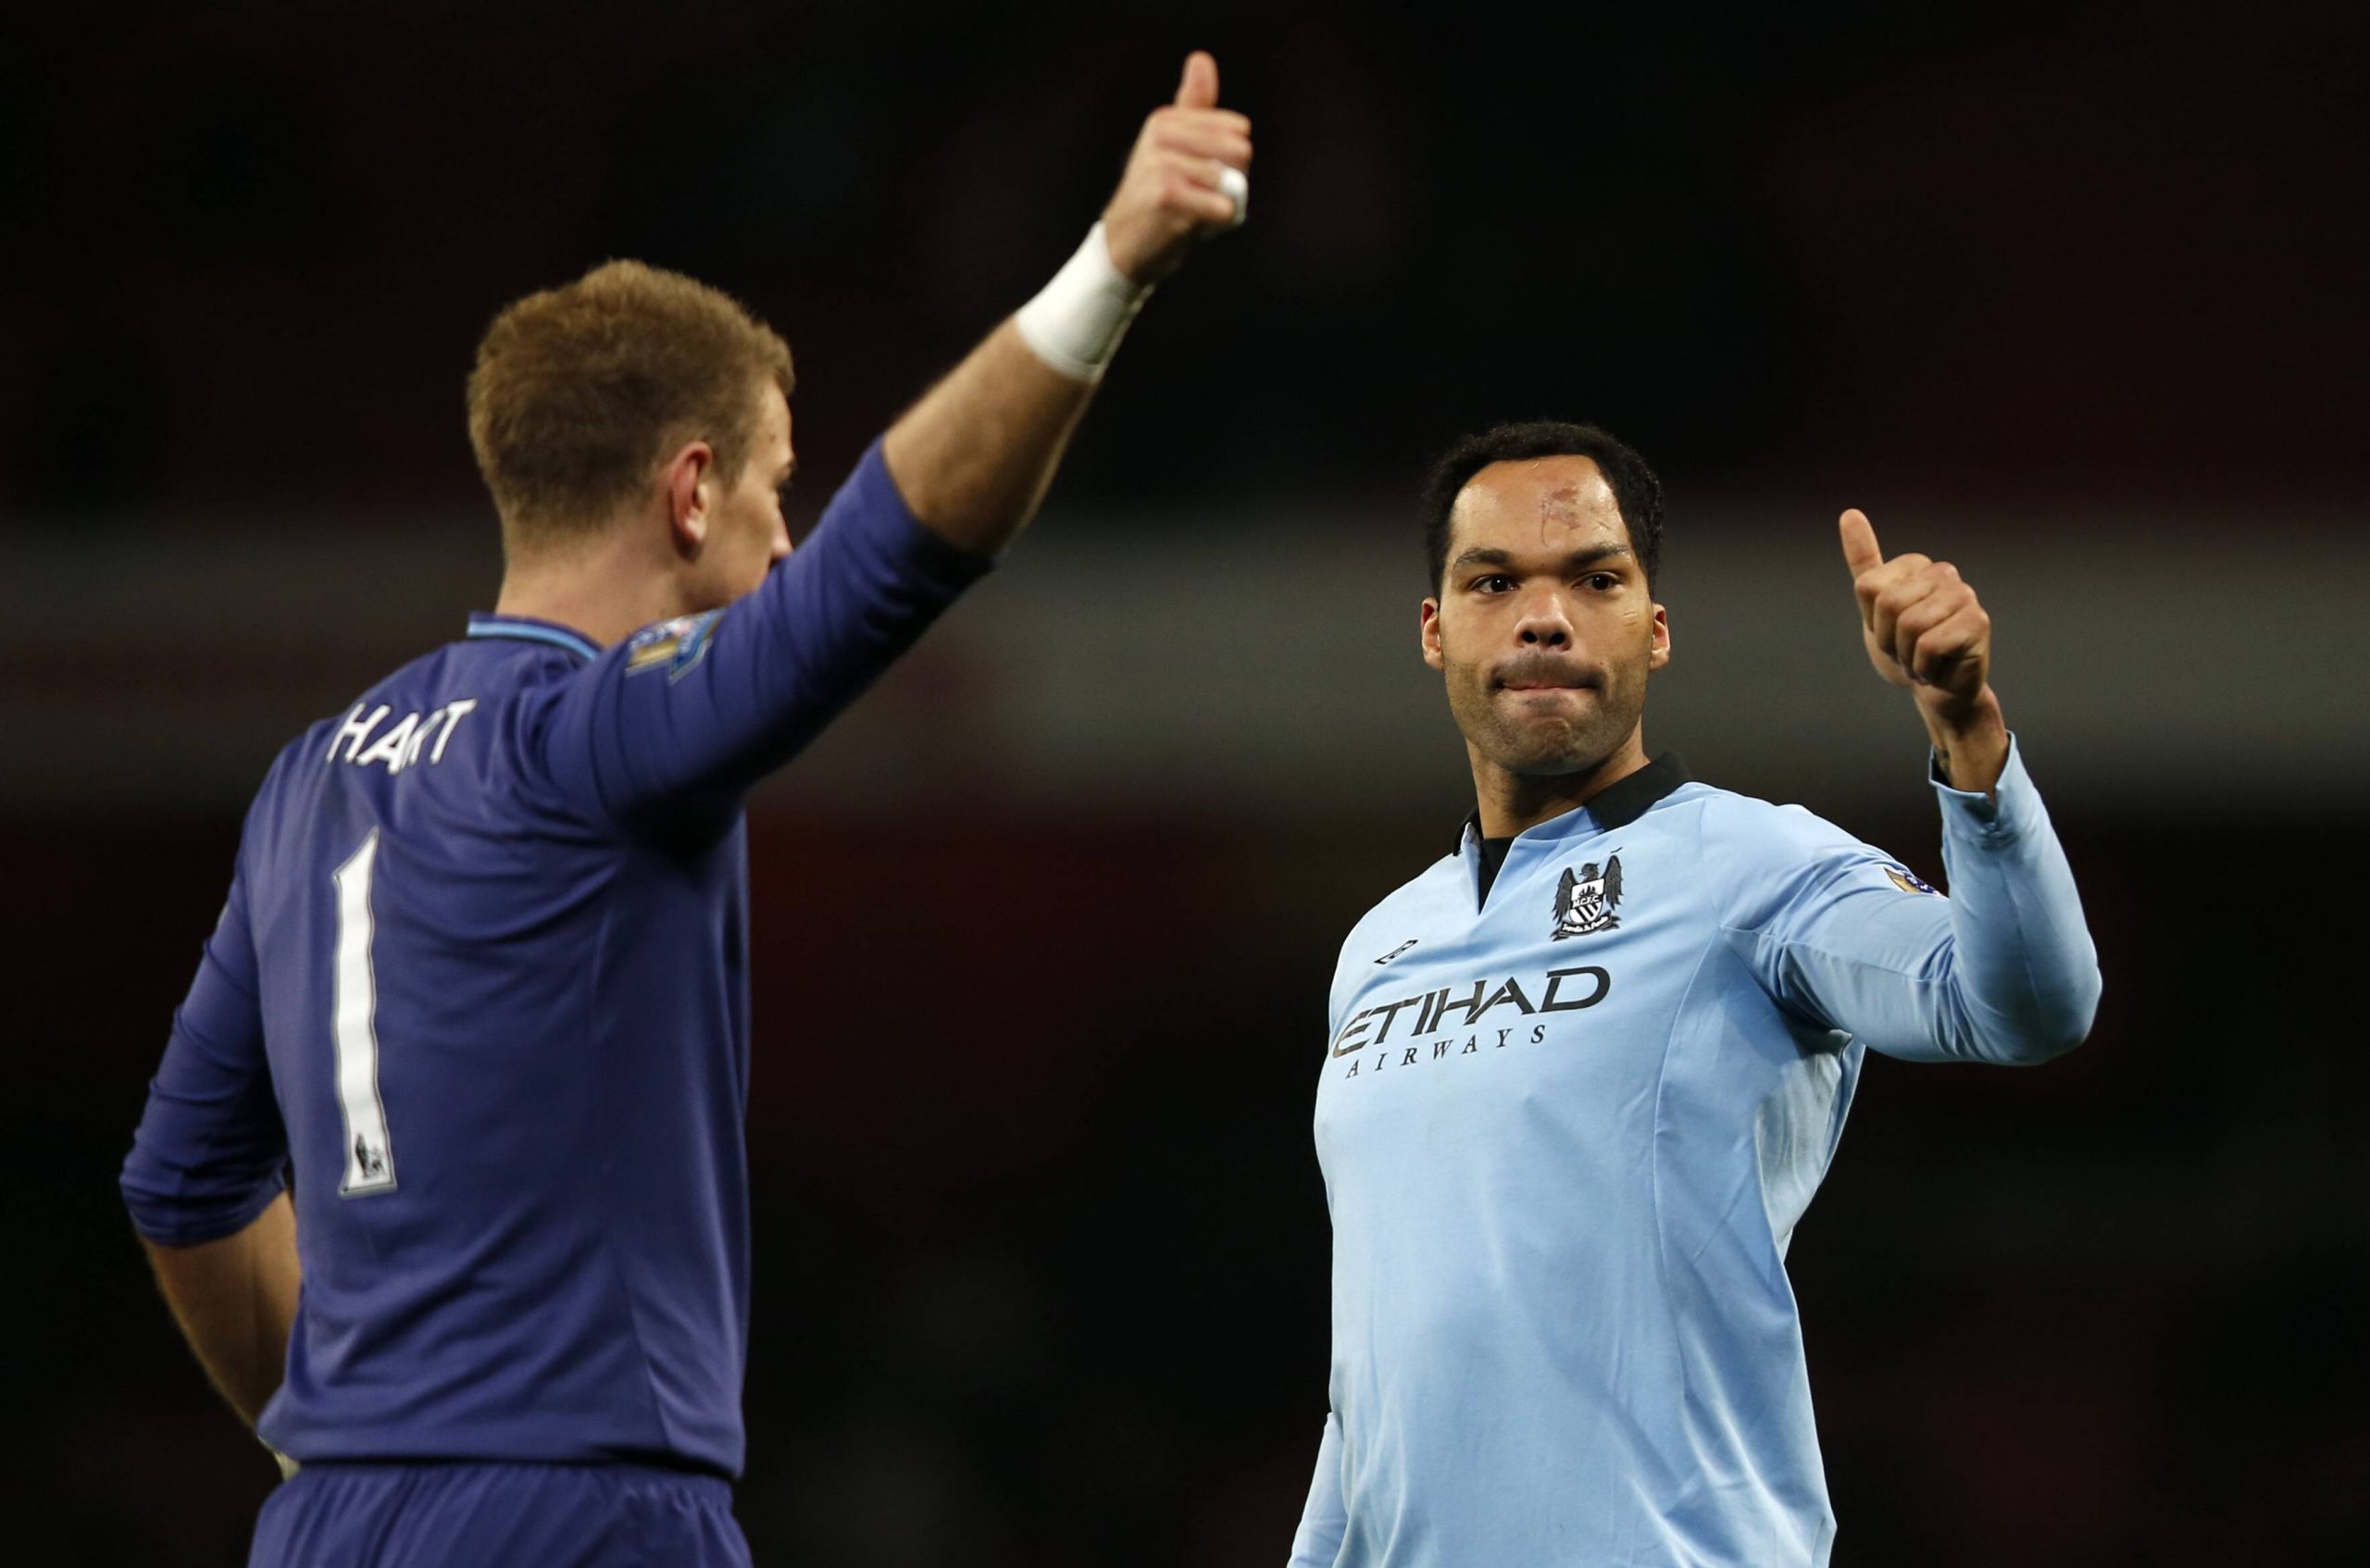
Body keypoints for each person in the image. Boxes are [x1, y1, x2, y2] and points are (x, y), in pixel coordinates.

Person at [119, 52, 1252, 1568]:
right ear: (692, 490)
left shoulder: (307, 779)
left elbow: (183, 1186)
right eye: (782, 488)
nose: (788, 539)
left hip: (331, 1521)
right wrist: (1111, 268)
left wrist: (344, 1425)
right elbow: (879, 572)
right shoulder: (590, 733)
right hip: (579, 1508)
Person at [1287, 420, 2101, 1567]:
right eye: (1492, 580)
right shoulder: (1381, 942)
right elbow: (1372, 1384)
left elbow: (2023, 1005)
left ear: (1654, 629)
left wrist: (1965, 726)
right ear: (1435, 630)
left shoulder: (1754, 866)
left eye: (1594, 577)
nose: (1543, 614)